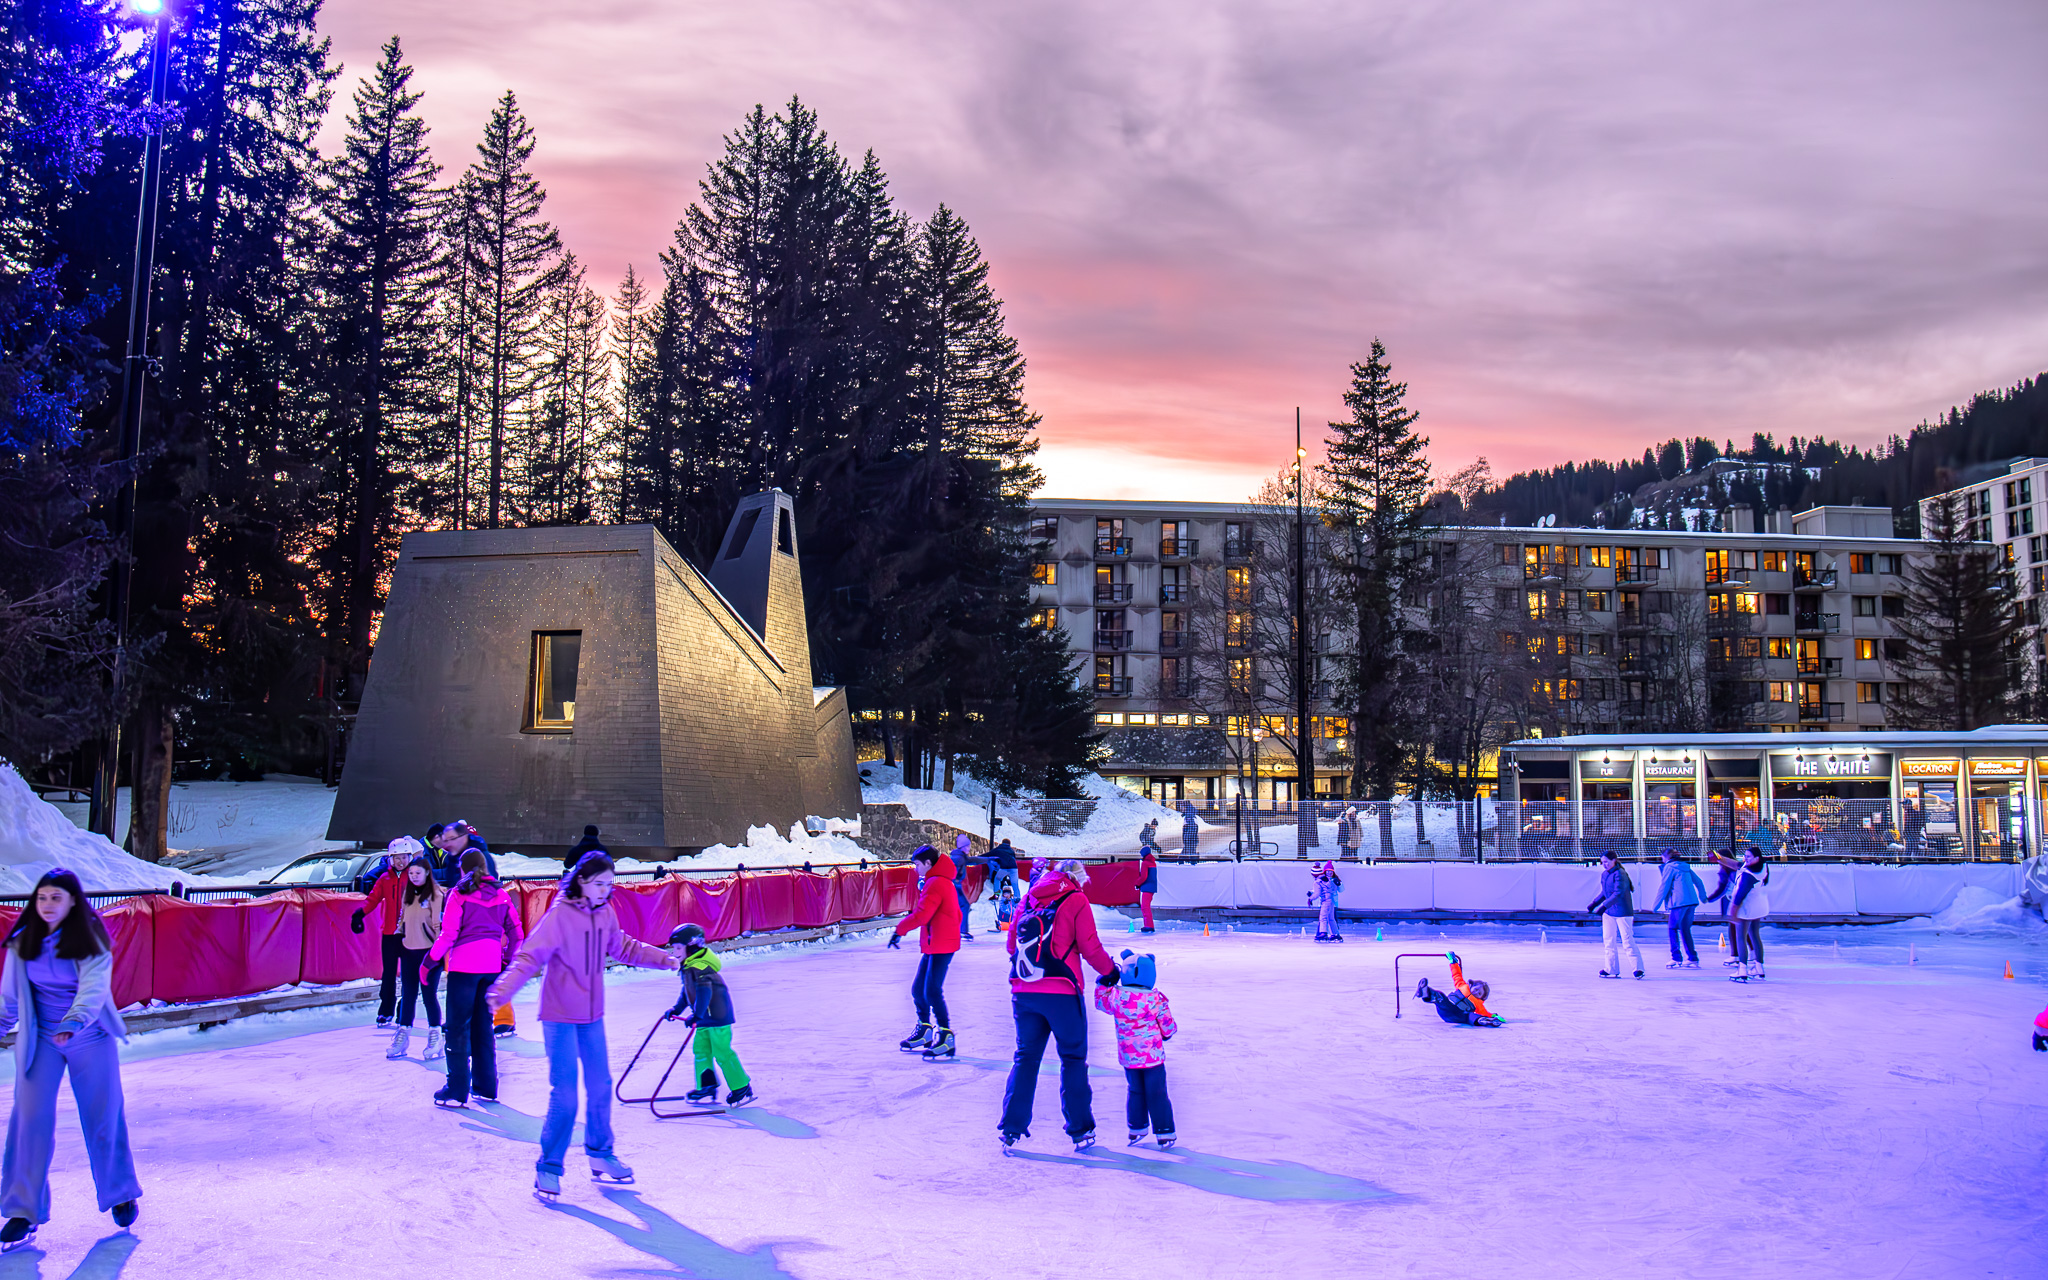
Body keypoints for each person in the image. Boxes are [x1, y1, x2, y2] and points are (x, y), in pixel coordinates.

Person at [489, 852, 677, 1201]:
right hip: (559, 1017)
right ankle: (548, 1167)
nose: (606, 890)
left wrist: (664, 958)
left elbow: (623, 948)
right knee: (565, 1096)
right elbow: (530, 956)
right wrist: (503, 990)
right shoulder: (560, 915)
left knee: (602, 1086)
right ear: (582, 881)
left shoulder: (604, 913)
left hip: (592, 1017)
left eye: (610, 884)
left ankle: (600, 1155)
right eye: (599, 883)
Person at [0, 870, 141, 1251]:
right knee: (29, 1118)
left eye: (55, 898)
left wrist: (74, 1020)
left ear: (73, 902)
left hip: (88, 1034)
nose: (47, 905)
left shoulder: (91, 940)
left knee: (102, 1116)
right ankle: (22, 1210)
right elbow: (10, 996)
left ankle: (120, 1191)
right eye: (42, 898)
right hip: (41, 1038)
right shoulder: (22, 940)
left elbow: (94, 990)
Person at [1000, 858, 1119, 1153]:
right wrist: (1111, 972)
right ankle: (1080, 1131)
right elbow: (1090, 947)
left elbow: (1011, 945)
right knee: (1073, 1059)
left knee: (1025, 1058)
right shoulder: (1075, 899)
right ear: (1078, 878)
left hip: (1024, 991)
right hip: (1062, 992)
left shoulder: (1028, 898)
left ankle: (1011, 1127)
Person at [425, 850, 524, 1108]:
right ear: (484, 867)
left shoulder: (458, 895)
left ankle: (457, 1089)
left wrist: (429, 961)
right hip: (490, 968)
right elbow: (517, 932)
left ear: (462, 869)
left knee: (457, 1028)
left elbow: (448, 935)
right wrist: (508, 961)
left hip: (464, 970)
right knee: (483, 1026)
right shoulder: (502, 896)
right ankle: (486, 1087)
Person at [1094, 948, 1178, 1148]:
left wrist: (1102, 984)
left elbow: (1100, 1003)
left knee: (1135, 1091)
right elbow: (1168, 1026)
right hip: (1153, 1058)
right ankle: (1165, 1131)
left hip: (1129, 1058)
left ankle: (1136, 1128)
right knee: (1157, 1092)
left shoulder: (1116, 997)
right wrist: (1167, 1034)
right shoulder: (1155, 999)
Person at [664, 924, 754, 1107]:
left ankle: (741, 1086)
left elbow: (704, 993)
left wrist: (696, 1015)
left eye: (678, 948)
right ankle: (707, 1085)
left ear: (692, 946)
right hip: (704, 1018)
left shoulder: (700, 967)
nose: (675, 952)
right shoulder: (689, 966)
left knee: (722, 1052)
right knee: (701, 1050)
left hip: (718, 1018)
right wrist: (676, 1009)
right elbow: (687, 992)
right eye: (674, 948)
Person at [889, 846, 962, 1059]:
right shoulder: (939, 880)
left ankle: (946, 1036)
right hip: (935, 943)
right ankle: (925, 1031)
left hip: (942, 944)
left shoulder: (937, 882)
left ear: (928, 864)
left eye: (918, 865)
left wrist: (899, 930)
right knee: (918, 990)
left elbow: (922, 915)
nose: (915, 869)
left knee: (931, 991)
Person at [353, 836, 423, 1029]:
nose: (401, 861)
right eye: (397, 858)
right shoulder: (384, 879)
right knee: (389, 974)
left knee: (410, 975)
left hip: (411, 935)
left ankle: (404, 1009)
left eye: (404, 857)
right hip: (390, 935)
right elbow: (373, 899)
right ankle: (386, 1010)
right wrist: (360, 914)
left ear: (410, 857)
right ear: (391, 859)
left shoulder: (416, 876)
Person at [391, 856, 447, 1061]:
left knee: (428, 995)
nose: (414, 877)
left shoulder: (436, 895)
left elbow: (439, 927)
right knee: (407, 994)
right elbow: (402, 919)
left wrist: (436, 954)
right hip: (408, 951)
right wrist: (399, 937)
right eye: (411, 873)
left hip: (429, 954)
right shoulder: (408, 893)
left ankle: (436, 1035)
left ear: (427, 874)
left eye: (418, 873)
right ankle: (403, 1035)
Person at [1718, 848, 1771, 983]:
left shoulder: (1748, 875)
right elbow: (1735, 864)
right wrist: (1718, 857)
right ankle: (1759, 968)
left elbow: (1739, 896)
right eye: (1745, 856)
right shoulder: (1763, 866)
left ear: (1756, 858)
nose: (1745, 858)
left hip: (1746, 908)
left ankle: (1742, 970)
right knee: (1755, 935)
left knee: (1740, 937)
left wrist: (1733, 913)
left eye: (1748, 856)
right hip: (1758, 906)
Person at [1587, 851, 1643, 979]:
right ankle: (1611, 968)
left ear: (1614, 860)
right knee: (1609, 940)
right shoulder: (1605, 874)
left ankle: (1638, 968)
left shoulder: (1620, 874)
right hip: (1609, 913)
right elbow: (1605, 892)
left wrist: (1603, 906)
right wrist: (1594, 903)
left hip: (1623, 912)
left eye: (1606, 861)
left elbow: (1618, 893)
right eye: (1602, 862)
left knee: (1627, 940)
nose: (1604, 864)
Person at [1412, 951, 1502, 1026]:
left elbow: (1485, 1012)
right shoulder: (1462, 985)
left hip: (1460, 1016)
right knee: (1441, 997)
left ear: (1481, 997)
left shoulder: (1478, 1003)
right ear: (1472, 985)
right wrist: (1453, 962)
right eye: (1476, 989)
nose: (1476, 992)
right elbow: (1456, 975)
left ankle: (1483, 1021)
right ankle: (1426, 993)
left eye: (1479, 994)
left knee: (1470, 1016)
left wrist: (1494, 1015)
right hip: (1448, 1009)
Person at [1653, 849, 1706, 970]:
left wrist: (1655, 906)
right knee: (1685, 929)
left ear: (1665, 857)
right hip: (1691, 901)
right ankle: (1692, 958)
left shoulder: (1669, 867)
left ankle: (1676, 958)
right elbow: (1699, 881)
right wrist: (1702, 896)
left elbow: (1664, 887)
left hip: (1679, 903)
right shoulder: (1684, 866)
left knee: (1672, 928)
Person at [985, 839, 1021, 930]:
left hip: (1004, 868)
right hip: (1014, 868)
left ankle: (996, 895)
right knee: (1015, 884)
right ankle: (1017, 899)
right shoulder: (1011, 850)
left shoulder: (999, 848)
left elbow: (991, 855)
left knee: (997, 879)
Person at [1310, 861, 1343, 942]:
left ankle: (1323, 933)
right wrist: (1311, 893)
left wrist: (1311, 898)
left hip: (1328, 902)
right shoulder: (1323, 880)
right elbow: (1318, 891)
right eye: (1327, 871)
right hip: (1328, 901)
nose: (1329, 873)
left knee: (1323, 918)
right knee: (1330, 918)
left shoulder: (1329, 881)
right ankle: (1334, 934)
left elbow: (1318, 892)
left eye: (1331, 871)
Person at [951, 835, 976, 943]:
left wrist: (988, 859)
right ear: (963, 847)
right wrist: (955, 881)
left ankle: (960, 930)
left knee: (962, 906)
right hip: (954, 886)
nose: (969, 849)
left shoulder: (960, 856)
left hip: (955, 885)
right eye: (967, 846)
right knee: (963, 905)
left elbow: (973, 860)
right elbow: (952, 872)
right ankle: (961, 930)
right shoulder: (959, 858)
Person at [1136, 844, 1159, 934]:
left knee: (1145, 907)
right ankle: (1149, 925)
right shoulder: (1152, 862)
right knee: (1146, 907)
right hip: (1152, 887)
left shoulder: (1145, 863)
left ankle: (1149, 926)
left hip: (1147, 887)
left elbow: (1143, 877)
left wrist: (1137, 884)